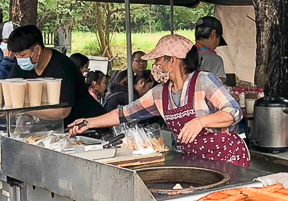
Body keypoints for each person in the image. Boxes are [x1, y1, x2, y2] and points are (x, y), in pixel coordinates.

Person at [69, 34, 249, 166]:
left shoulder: (203, 81)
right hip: (197, 162)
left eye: (158, 60)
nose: (154, 66)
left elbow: (234, 112)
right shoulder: (159, 94)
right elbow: (123, 114)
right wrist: (89, 122)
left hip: (228, 159)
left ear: (174, 60)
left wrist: (200, 122)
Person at [8, 26, 103, 126]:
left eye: (22, 55)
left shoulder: (63, 67)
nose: (19, 59)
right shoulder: (20, 65)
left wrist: (24, 110)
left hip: (87, 124)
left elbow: (63, 111)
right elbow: (9, 92)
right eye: (16, 55)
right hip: (53, 128)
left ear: (37, 50)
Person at [194, 16, 227, 80]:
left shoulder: (184, 55)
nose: (217, 45)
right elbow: (217, 87)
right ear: (213, 34)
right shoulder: (216, 60)